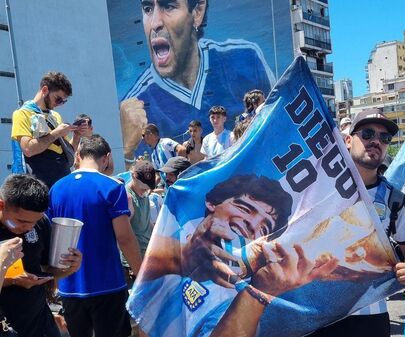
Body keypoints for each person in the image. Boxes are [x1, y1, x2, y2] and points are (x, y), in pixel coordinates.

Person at [128, 174, 295, 336]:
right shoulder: (175, 230)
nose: (252, 224)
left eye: (264, 228)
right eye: (244, 208)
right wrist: (184, 257)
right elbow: (144, 312)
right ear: (212, 203)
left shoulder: (238, 296)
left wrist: (259, 294)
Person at [307, 109, 405, 337]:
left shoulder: (394, 199)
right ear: (348, 140)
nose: (376, 142)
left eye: (384, 138)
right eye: (368, 134)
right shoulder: (317, 190)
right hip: (317, 314)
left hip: (370, 317)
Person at [119, 0, 275, 164]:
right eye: (148, 9)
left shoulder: (245, 58)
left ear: (198, 11)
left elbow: (278, 126)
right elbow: (141, 176)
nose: (155, 23)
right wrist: (127, 150)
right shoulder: (135, 107)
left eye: (169, 6)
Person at [47, 135, 143, 337]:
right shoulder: (112, 187)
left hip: (69, 286)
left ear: (78, 156)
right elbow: (124, 238)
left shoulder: (56, 188)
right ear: (106, 157)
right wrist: (142, 275)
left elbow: (50, 235)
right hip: (108, 285)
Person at [0, 174, 83, 337]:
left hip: (40, 322)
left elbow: (49, 271)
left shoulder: (41, 223)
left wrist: (70, 267)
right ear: (1, 205)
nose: (29, 227)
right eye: (21, 221)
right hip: (6, 325)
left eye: (34, 222)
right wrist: (12, 280)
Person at [11, 72, 80, 188]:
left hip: (63, 179)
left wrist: (77, 135)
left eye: (63, 101)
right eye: (58, 99)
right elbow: (28, 149)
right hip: (40, 183)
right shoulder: (23, 114)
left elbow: (68, 153)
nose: (60, 104)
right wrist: (56, 133)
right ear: (44, 90)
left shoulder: (55, 116)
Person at [126, 160, 157, 259]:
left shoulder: (144, 195)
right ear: (133, 176)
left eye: (148, 187)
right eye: (143, 187)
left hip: (148, 255)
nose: (146, 190)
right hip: (135, 259)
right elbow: (122, 233)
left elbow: (147, 223)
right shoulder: (127, 197)